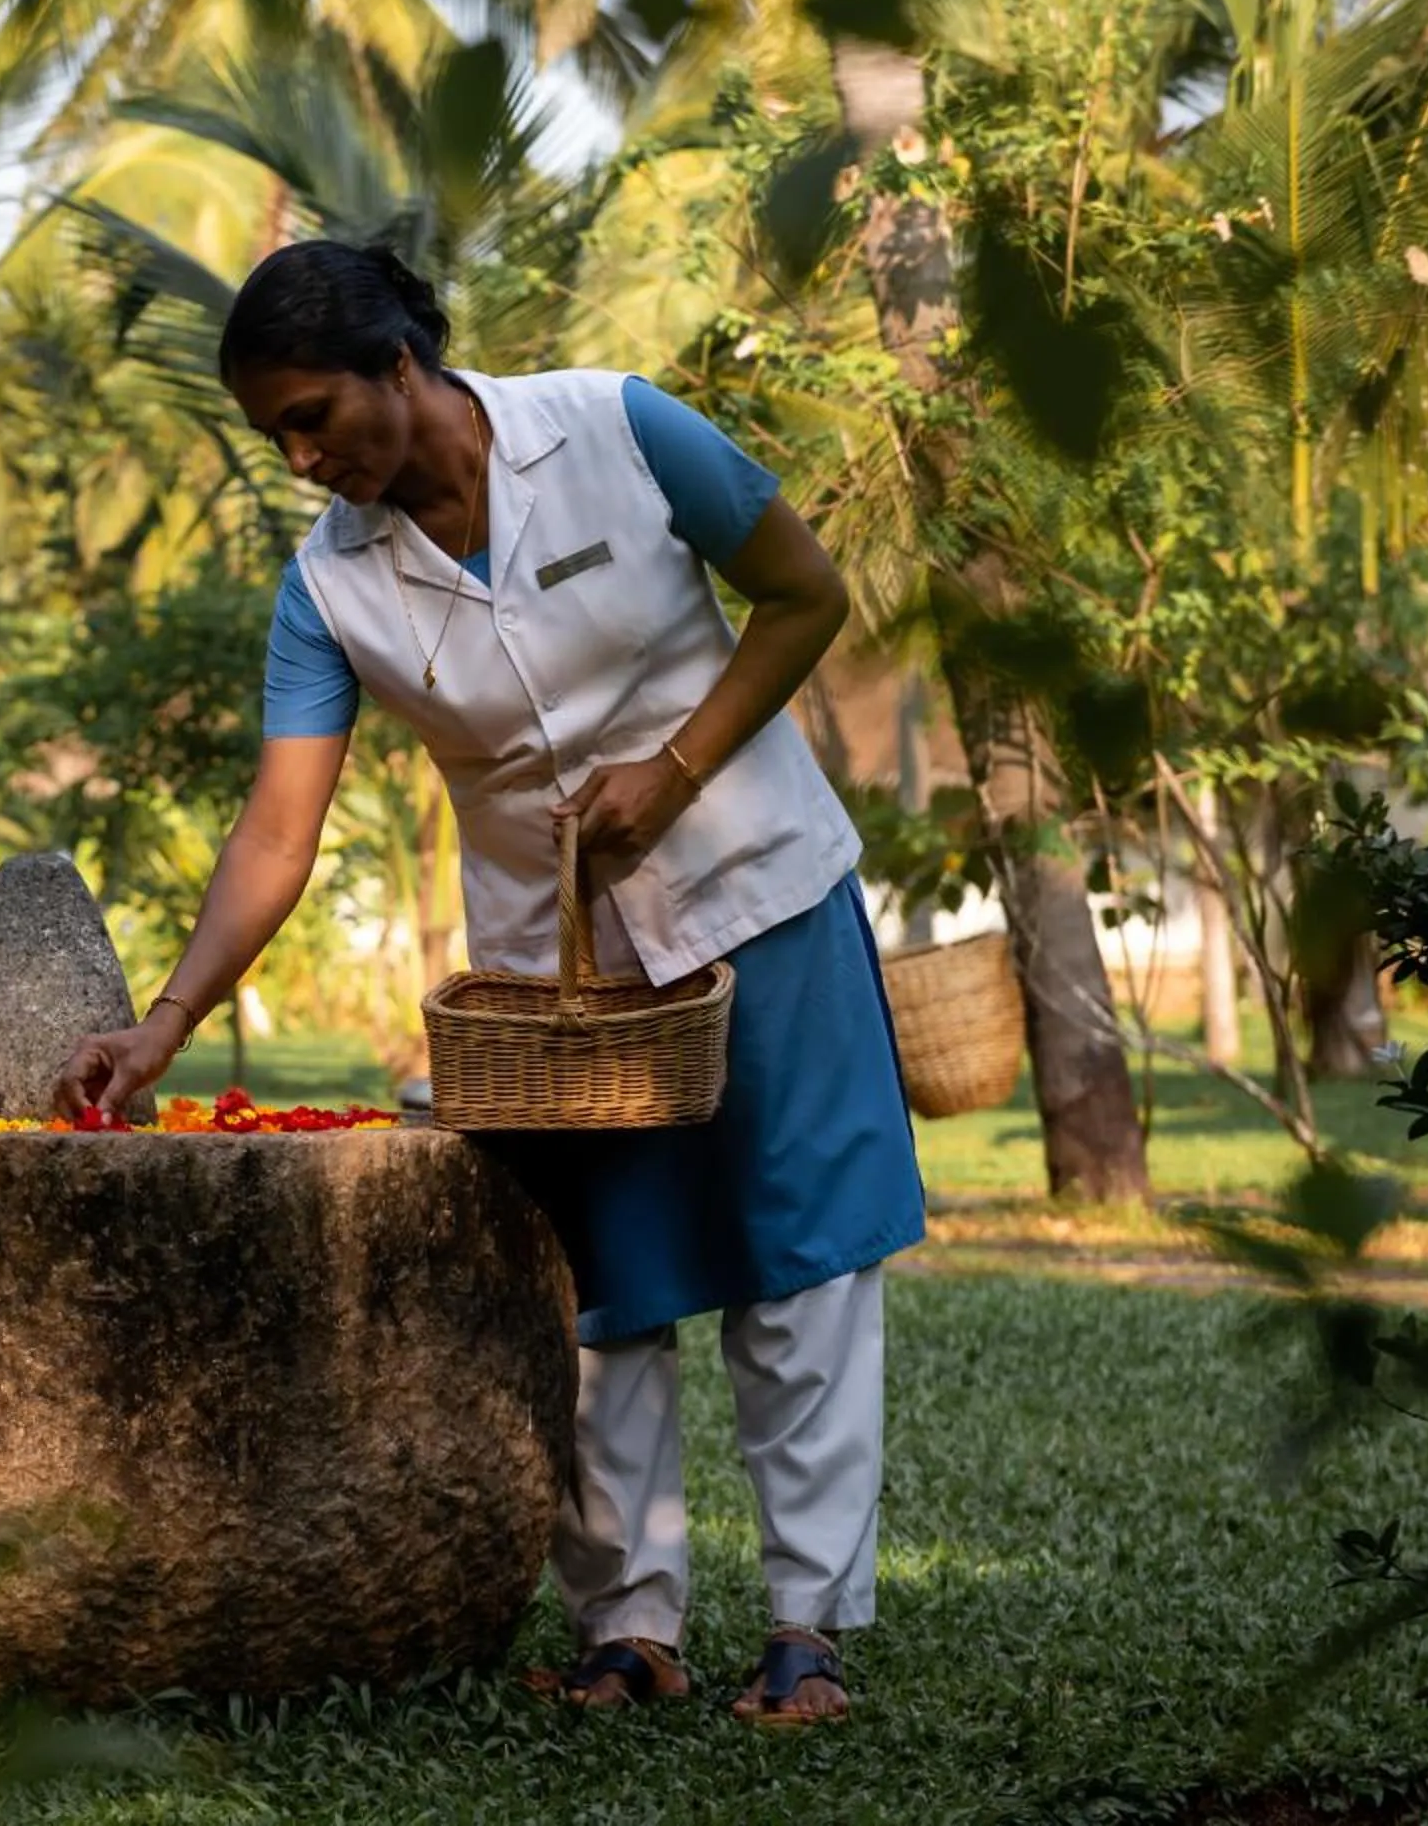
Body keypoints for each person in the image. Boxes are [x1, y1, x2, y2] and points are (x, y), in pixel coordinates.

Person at [52, 240, 924, 1722]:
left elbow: (803, 595)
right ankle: (629, 1630)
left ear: (401, 361)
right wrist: (166, 1021)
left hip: (759, 893)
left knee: (805, 1267)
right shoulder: (329, 588)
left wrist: (675, 767)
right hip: (551, 980)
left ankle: (808, 1631)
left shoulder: (620, 427)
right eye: (275, 436)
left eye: (314, 415)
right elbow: (278, 832)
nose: (302, 457)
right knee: (597, 1295)